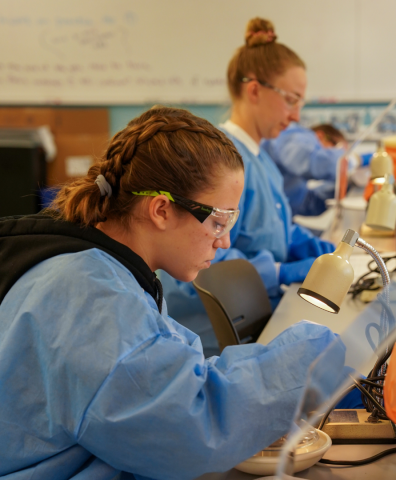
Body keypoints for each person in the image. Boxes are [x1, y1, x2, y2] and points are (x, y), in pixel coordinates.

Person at [0, 106, 357, 480]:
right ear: (161, 210)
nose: (226, 241)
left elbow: (168, 372)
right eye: (219, 221)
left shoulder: (101, 262)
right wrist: (306, 361)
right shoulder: (90, 295)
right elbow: (190, 424)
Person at [162, 18, 337, 356]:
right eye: (291, 100)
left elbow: (269, 227)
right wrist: (279, 271)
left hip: (259, 319)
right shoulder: (219, 162)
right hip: (217, 338)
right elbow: (202, 256)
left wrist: (304, 243)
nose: (297, 115)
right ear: (254, 89)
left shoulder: (261, 158)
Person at [263, 122, 347, 216]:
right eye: (337, 149)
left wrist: (345, 184)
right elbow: (319, 162)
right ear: (320, 136)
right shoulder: (292, 136)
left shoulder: (291, 179)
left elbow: (304, 202)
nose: (337, 154)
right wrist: (355, 160)